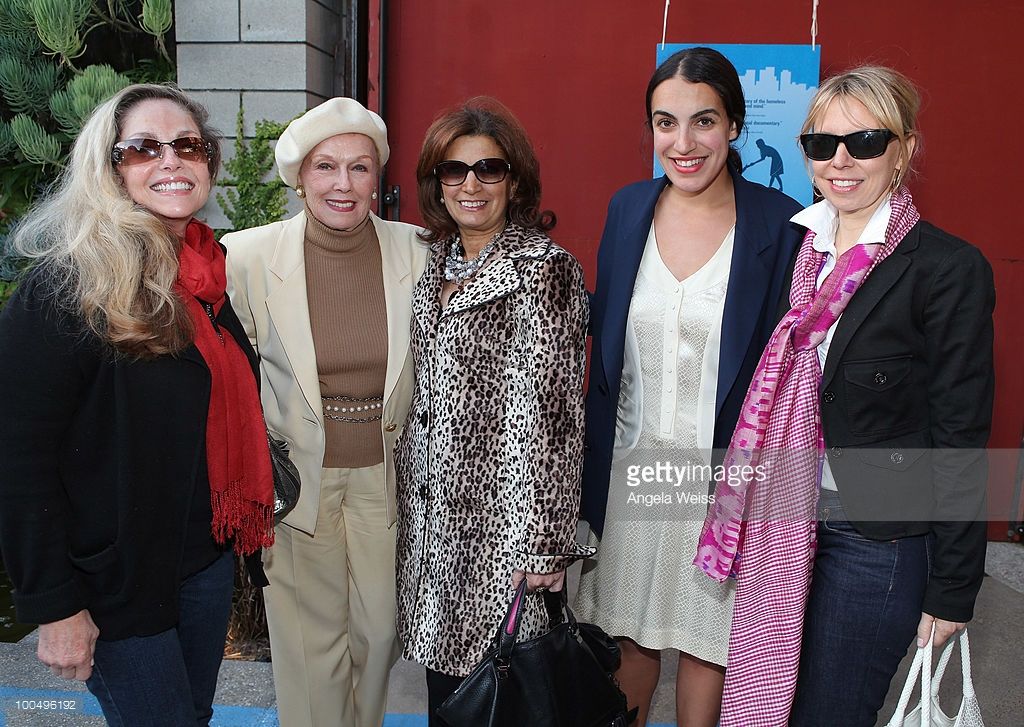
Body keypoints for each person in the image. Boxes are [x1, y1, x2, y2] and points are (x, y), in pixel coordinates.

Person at [697, 66, 994, 726]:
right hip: (783, 520)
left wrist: (953, 585)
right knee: (769, 698)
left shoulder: (945, 269)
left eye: (864, 141)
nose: (841, 160)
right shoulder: (800, 252)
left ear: (904, 149)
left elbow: (961, 435)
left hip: (876, 541)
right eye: (821, 143)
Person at [0, 84, 274, 725]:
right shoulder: (68, 285)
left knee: (193, 716)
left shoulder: (203, 276)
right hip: (114, 584)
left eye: (188, 146)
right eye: (144, 148)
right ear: (109, 167)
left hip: (202, 565)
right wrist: (56, 605)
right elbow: (18, 459)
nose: (171, 161)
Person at [574, 47, 803, 727]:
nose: (683, 142)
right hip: (629, 473)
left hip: (720, 481)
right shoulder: (627, 209)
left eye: (703, 121)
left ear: (733, 124)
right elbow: (604, 351)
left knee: (710, 647)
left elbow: (786, 368)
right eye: (665, 122)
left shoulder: (781, 224)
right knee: (627, 643)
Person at [222, 97, 427, 727]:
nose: (343, 184)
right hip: (296, 481)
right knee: (311, 648)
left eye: (359, 167)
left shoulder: (419, 251)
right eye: (326, 166)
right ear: (299, 176)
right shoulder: (246, 258)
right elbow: (231, 375)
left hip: (388, 476)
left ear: (378, 177)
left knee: (380, 634)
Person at [394, 96, 593, 725]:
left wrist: (545, 547)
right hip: (432, 530)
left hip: (505, 535)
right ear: (437, 183)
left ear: (515, 180)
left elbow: (556, 421)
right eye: (454, 170)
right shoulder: (435, 264)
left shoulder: (545, 271)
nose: (471, 185)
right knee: (447, 703)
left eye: (489, 168)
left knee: (503, 699)